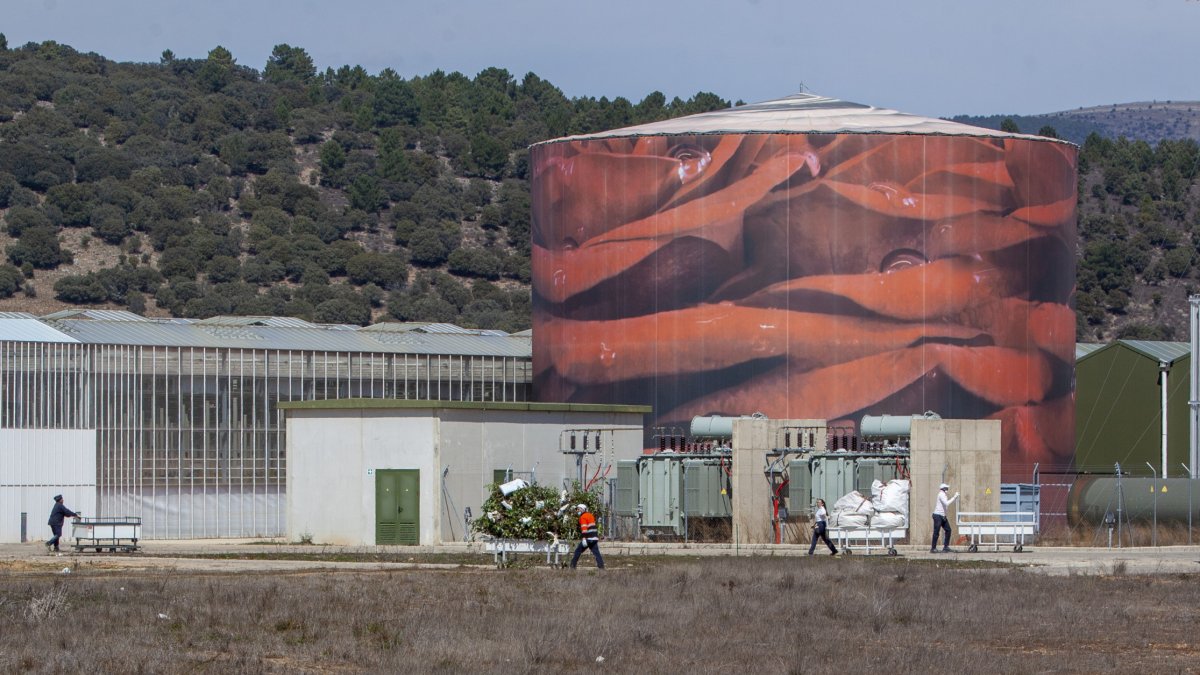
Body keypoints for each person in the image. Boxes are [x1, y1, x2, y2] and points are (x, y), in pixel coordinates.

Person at [569, 503, 605, 569]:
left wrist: (584, 538)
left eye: (578, 509)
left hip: (588, 538)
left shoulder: (583, 517)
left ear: (582, 509)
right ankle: (601, 567)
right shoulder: (590, 515)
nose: (577, 511)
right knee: (597, 553)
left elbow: (584, 528)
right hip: (594, 538)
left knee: (578, 551)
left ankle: (572, 566)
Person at [930, 483, 960, 553]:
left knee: (948, 530)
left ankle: (946, 547)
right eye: (946, 488)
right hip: (938, 516)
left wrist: (955, 498)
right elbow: (947, 503)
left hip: (943, 516)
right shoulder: (941, 494)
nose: (947, 489)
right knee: (936, 532)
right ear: (943, 489)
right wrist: (954, 497)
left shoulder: (943, 494)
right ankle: (933, 548)